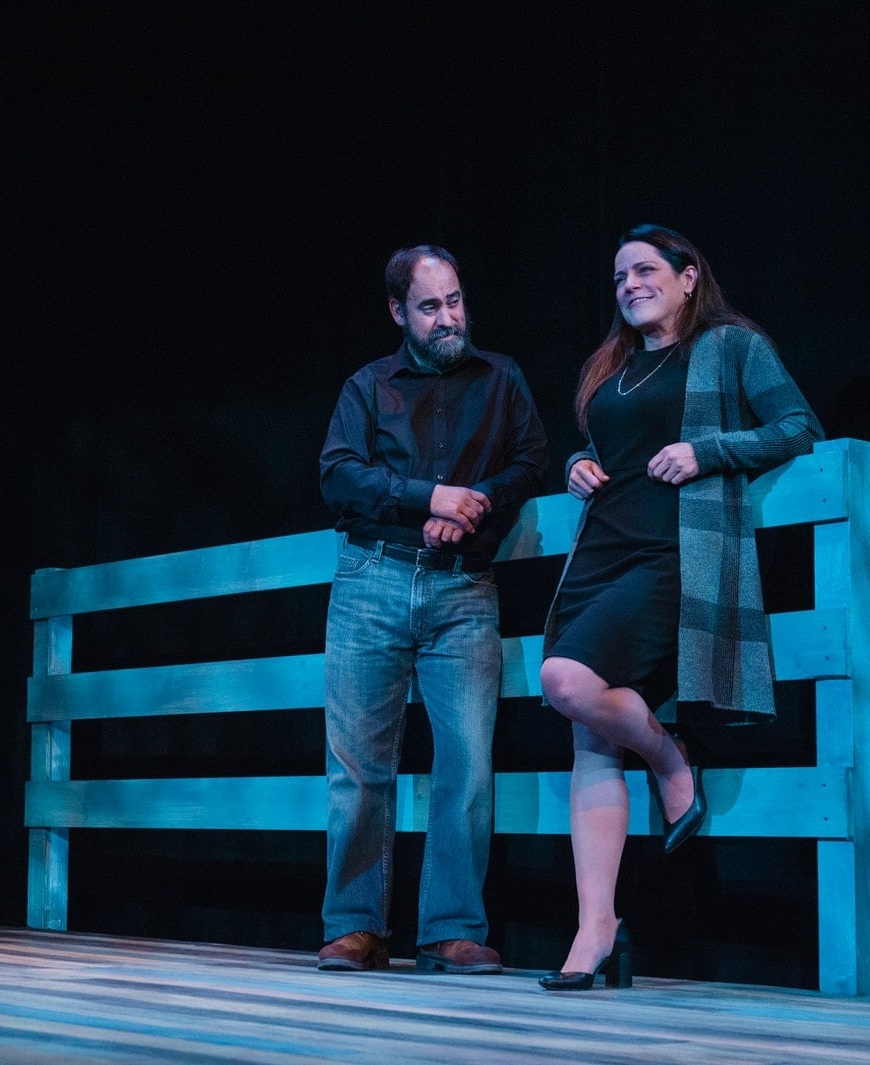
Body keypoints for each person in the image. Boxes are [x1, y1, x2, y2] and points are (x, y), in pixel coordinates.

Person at [537, 224, 824, 990]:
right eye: (619, 276)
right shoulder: (613, 365)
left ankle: (670, 757)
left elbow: (800, 426)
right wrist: (578, 461)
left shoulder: (730, 346)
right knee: (589, 737)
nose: (630, 284)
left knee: (566, 680)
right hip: (600, 552)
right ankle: (596, 929)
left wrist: (708, 451)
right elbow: (611, 445)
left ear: (688, 275)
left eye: (645, 269)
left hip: (672, 555)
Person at [316, 245, 548, 974]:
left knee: (468, 765)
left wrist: (472, 508)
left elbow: (530, 461)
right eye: (429, 306)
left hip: (463, 586)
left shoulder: (501, 376)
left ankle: (450, 929)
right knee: (359, 766)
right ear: (398, 312)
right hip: (372, 578)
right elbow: (338, 475)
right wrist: (430, 498)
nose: (448, 318)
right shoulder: (367, 385)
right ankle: (356, 926)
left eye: (454, 301)